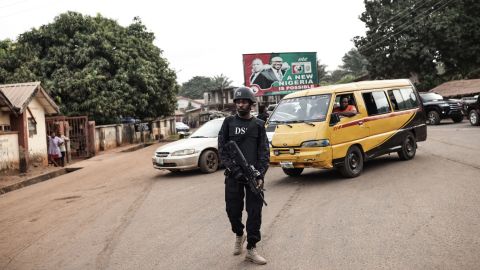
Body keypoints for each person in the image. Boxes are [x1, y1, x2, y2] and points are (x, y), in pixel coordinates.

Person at [218, 87, 270, 265]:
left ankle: (251, 248)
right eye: (238, 101)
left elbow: (264, 151)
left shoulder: (258, 125)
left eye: (244, 101)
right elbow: (222, 149)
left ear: (250, 103)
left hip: (254, 177)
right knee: (232, 211)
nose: (240, 104)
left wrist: (260, 173)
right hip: (234, 176)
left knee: (255, 213)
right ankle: (239, 233)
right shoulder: (228, 123)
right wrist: (235, 170)